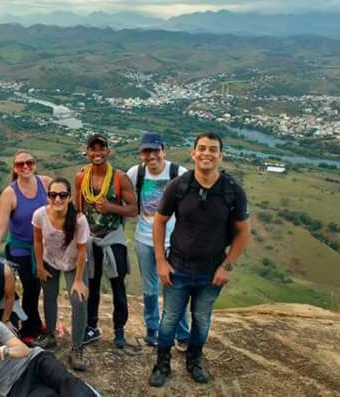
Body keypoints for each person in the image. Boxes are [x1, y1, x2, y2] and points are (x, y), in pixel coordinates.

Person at [149, 132, 250, 387]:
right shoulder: (180, 186)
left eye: (212, 149)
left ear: (220, 155)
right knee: (170, 318)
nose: (207, 153)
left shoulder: (232, 190)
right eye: (201, 148)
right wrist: (161, 261)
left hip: (211, 272)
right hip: (178, 267)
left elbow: (243, 232)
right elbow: (159, 222)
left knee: (202, 319)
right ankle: (162, 364)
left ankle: (194, 361)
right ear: (193, 153)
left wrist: (227, 266)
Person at [0, 305, 99, 397]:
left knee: (64, 380)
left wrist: (4, 352)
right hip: (12, 386)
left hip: (33, 361)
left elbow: (23, 350)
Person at [126, 133, 190, 349]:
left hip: (174, 241)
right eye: (146, 151)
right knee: (150, 287)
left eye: (155, 150)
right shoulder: (137, 173)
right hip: (144, 239)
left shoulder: (178, 173)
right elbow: (122, 193)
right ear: (141, 154)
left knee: (176, 287)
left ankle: (182, 333)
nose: (151, 156)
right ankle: (152, 328)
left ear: (163, 150)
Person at [74, 133, 137, 349]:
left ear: (108, 152)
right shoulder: (81, 177)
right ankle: (91, 326)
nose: (97, 153)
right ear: (88, 152)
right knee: (92, 283)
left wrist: (111, 208)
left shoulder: (119, 178)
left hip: (113, 238)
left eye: (101, 149)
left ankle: (119, 329)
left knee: (117, 285)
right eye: (93, 149)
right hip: (91, 239)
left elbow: (133, 209)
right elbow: (79, 209)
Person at [0, 150, 50, 344]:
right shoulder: (10, 193)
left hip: (45, 246)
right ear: (14, 168)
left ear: (35, 164)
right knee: (31, 287)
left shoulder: (46, 183)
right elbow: (0, 227)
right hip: (21, 248)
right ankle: (28, 330)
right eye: (20, 164)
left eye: (29, 162)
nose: (25, 167)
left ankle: (36, 321)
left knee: (42, 286)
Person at [32, 177, 90, 371]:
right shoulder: (40, 215)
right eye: (53, 194)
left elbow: (82, 250)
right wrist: (39, 266)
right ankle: (50, 335)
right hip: (50, 260)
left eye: (62, 195)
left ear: (69, 197)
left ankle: (76, 347)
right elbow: (38, 242)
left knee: (79, 302)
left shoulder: (79, 220)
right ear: (48, 196)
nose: (57, 199)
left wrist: (80, 280)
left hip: (74, 263)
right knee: (49, 297)